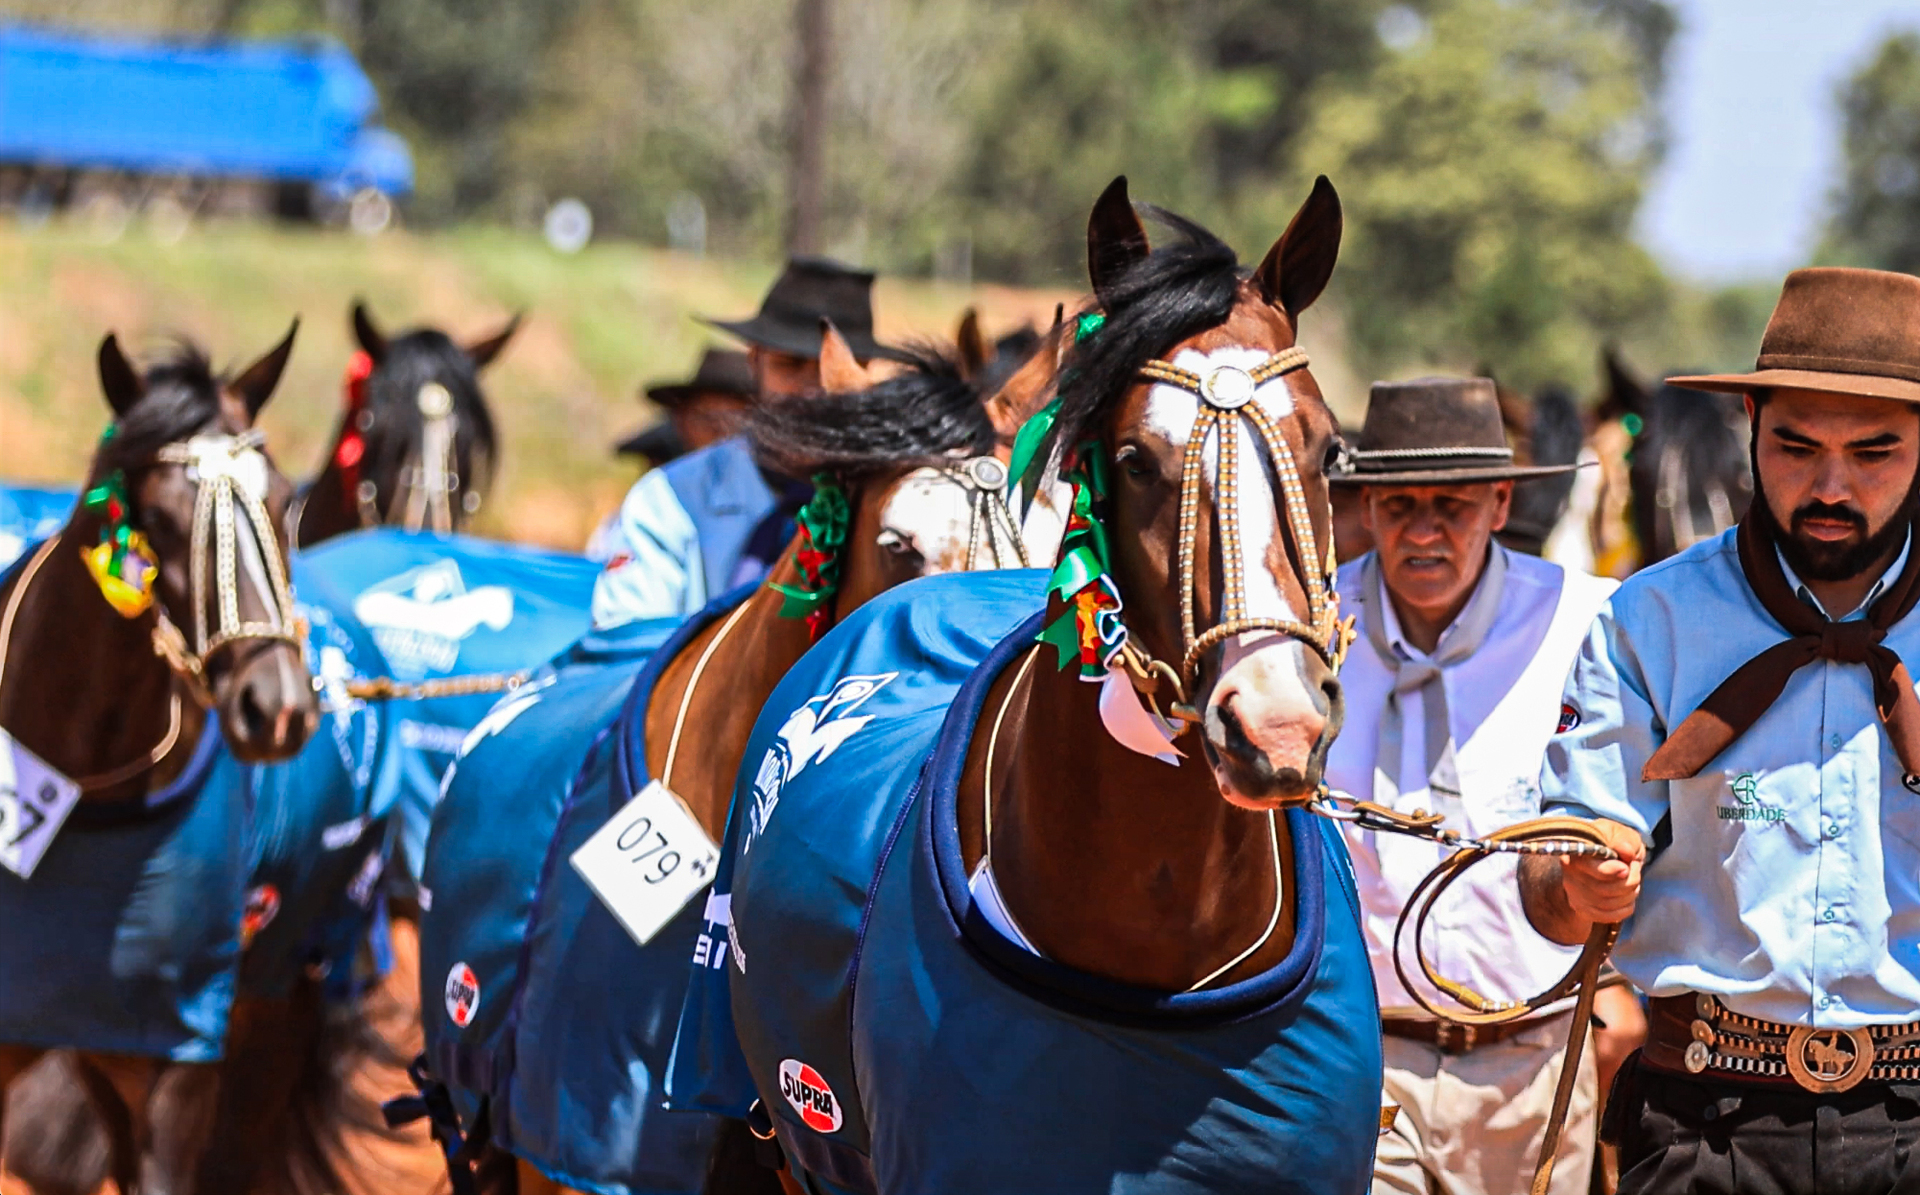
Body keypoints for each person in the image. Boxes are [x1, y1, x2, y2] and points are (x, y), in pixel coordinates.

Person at [1522, 267, 1920, 1194]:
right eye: (1794, 446)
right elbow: (1545, 892)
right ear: (1748, 419)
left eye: (1874, 453)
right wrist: (1580, 879)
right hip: (1707, 1126)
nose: (1830, 485)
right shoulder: (1647, 621)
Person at [1327, 377, 1613, 1195]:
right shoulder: (1311, 627)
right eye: (1398, 504)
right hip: (1364, 1057)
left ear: (1498, 502)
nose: (1422, 532)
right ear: (1368, 504)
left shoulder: (1588, 624)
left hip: (1536, 1058)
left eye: (1450, 505)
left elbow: (1637, 816)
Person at [589, 256, 896, 627]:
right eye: (791, 365)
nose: (814, 389)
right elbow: (625, 643)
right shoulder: (670, 502)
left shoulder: (898, 508)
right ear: (755, 362)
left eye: (837, 368)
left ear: (868, 372)